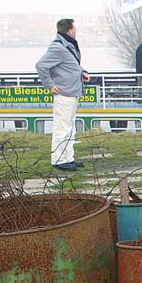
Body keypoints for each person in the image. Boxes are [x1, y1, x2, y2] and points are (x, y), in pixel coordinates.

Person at [35, 18, 90, 171]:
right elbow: (40, 65)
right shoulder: (58, 47)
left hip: (72, 91)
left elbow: (70, 64)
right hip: (64, 92)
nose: (76, 31)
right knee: (62, 127)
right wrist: (50, 85)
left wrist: (82, 72)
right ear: (69, 30)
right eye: (74, 28)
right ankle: (58, 159)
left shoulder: (66, 45)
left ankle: (68, 157)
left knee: (70, 127)